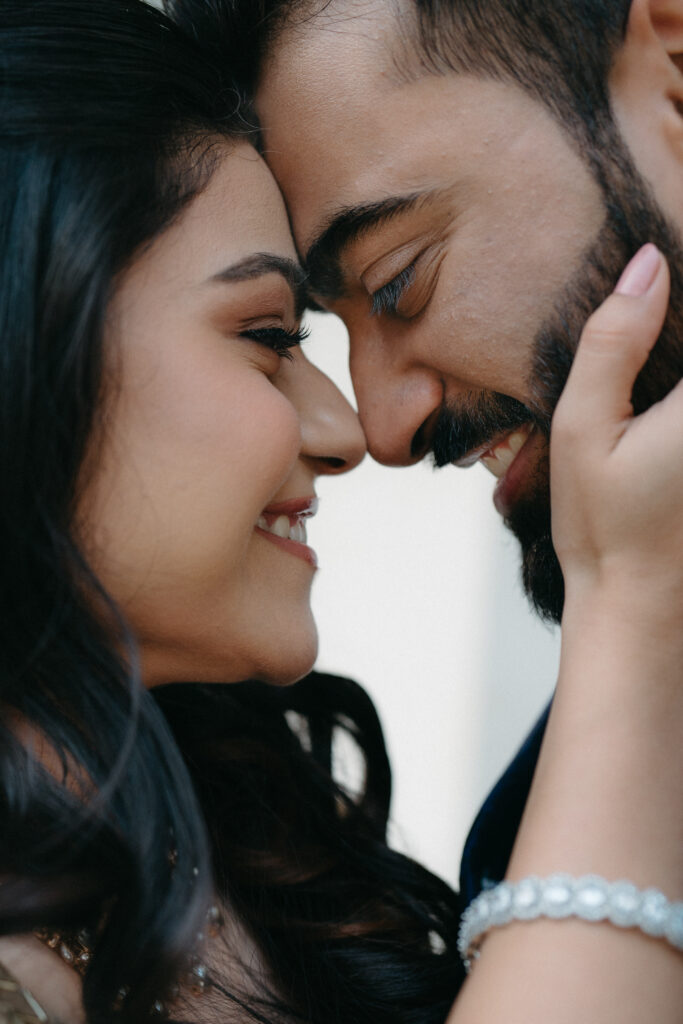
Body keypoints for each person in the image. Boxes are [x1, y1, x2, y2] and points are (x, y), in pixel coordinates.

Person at [1, 3, 681, 1024]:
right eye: (275, 334)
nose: (367, 427)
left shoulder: (282, 862)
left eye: (399, 279)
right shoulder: (552, 816)